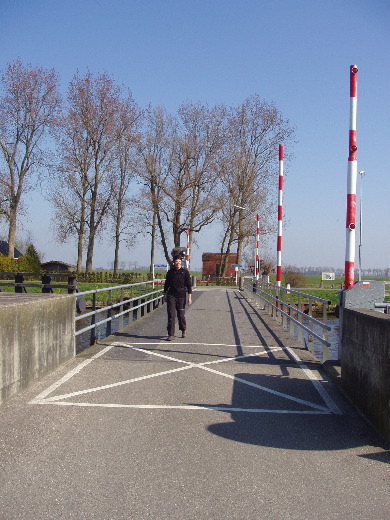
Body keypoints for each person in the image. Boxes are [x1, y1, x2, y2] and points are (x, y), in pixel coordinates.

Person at [164, 254, 192, 341]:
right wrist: (165, 294)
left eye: (179, 261)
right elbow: (166, 285)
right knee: (171, 315)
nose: (178, 263)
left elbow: (189, 286)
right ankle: (171, 334)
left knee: (181, 315)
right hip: (171, 295)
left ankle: (183, 329)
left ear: (181, 263)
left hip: (181, 296)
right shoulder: (170, 272)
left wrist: (189, 298)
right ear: (174, 262)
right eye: (176, 261)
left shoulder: (185, 272)